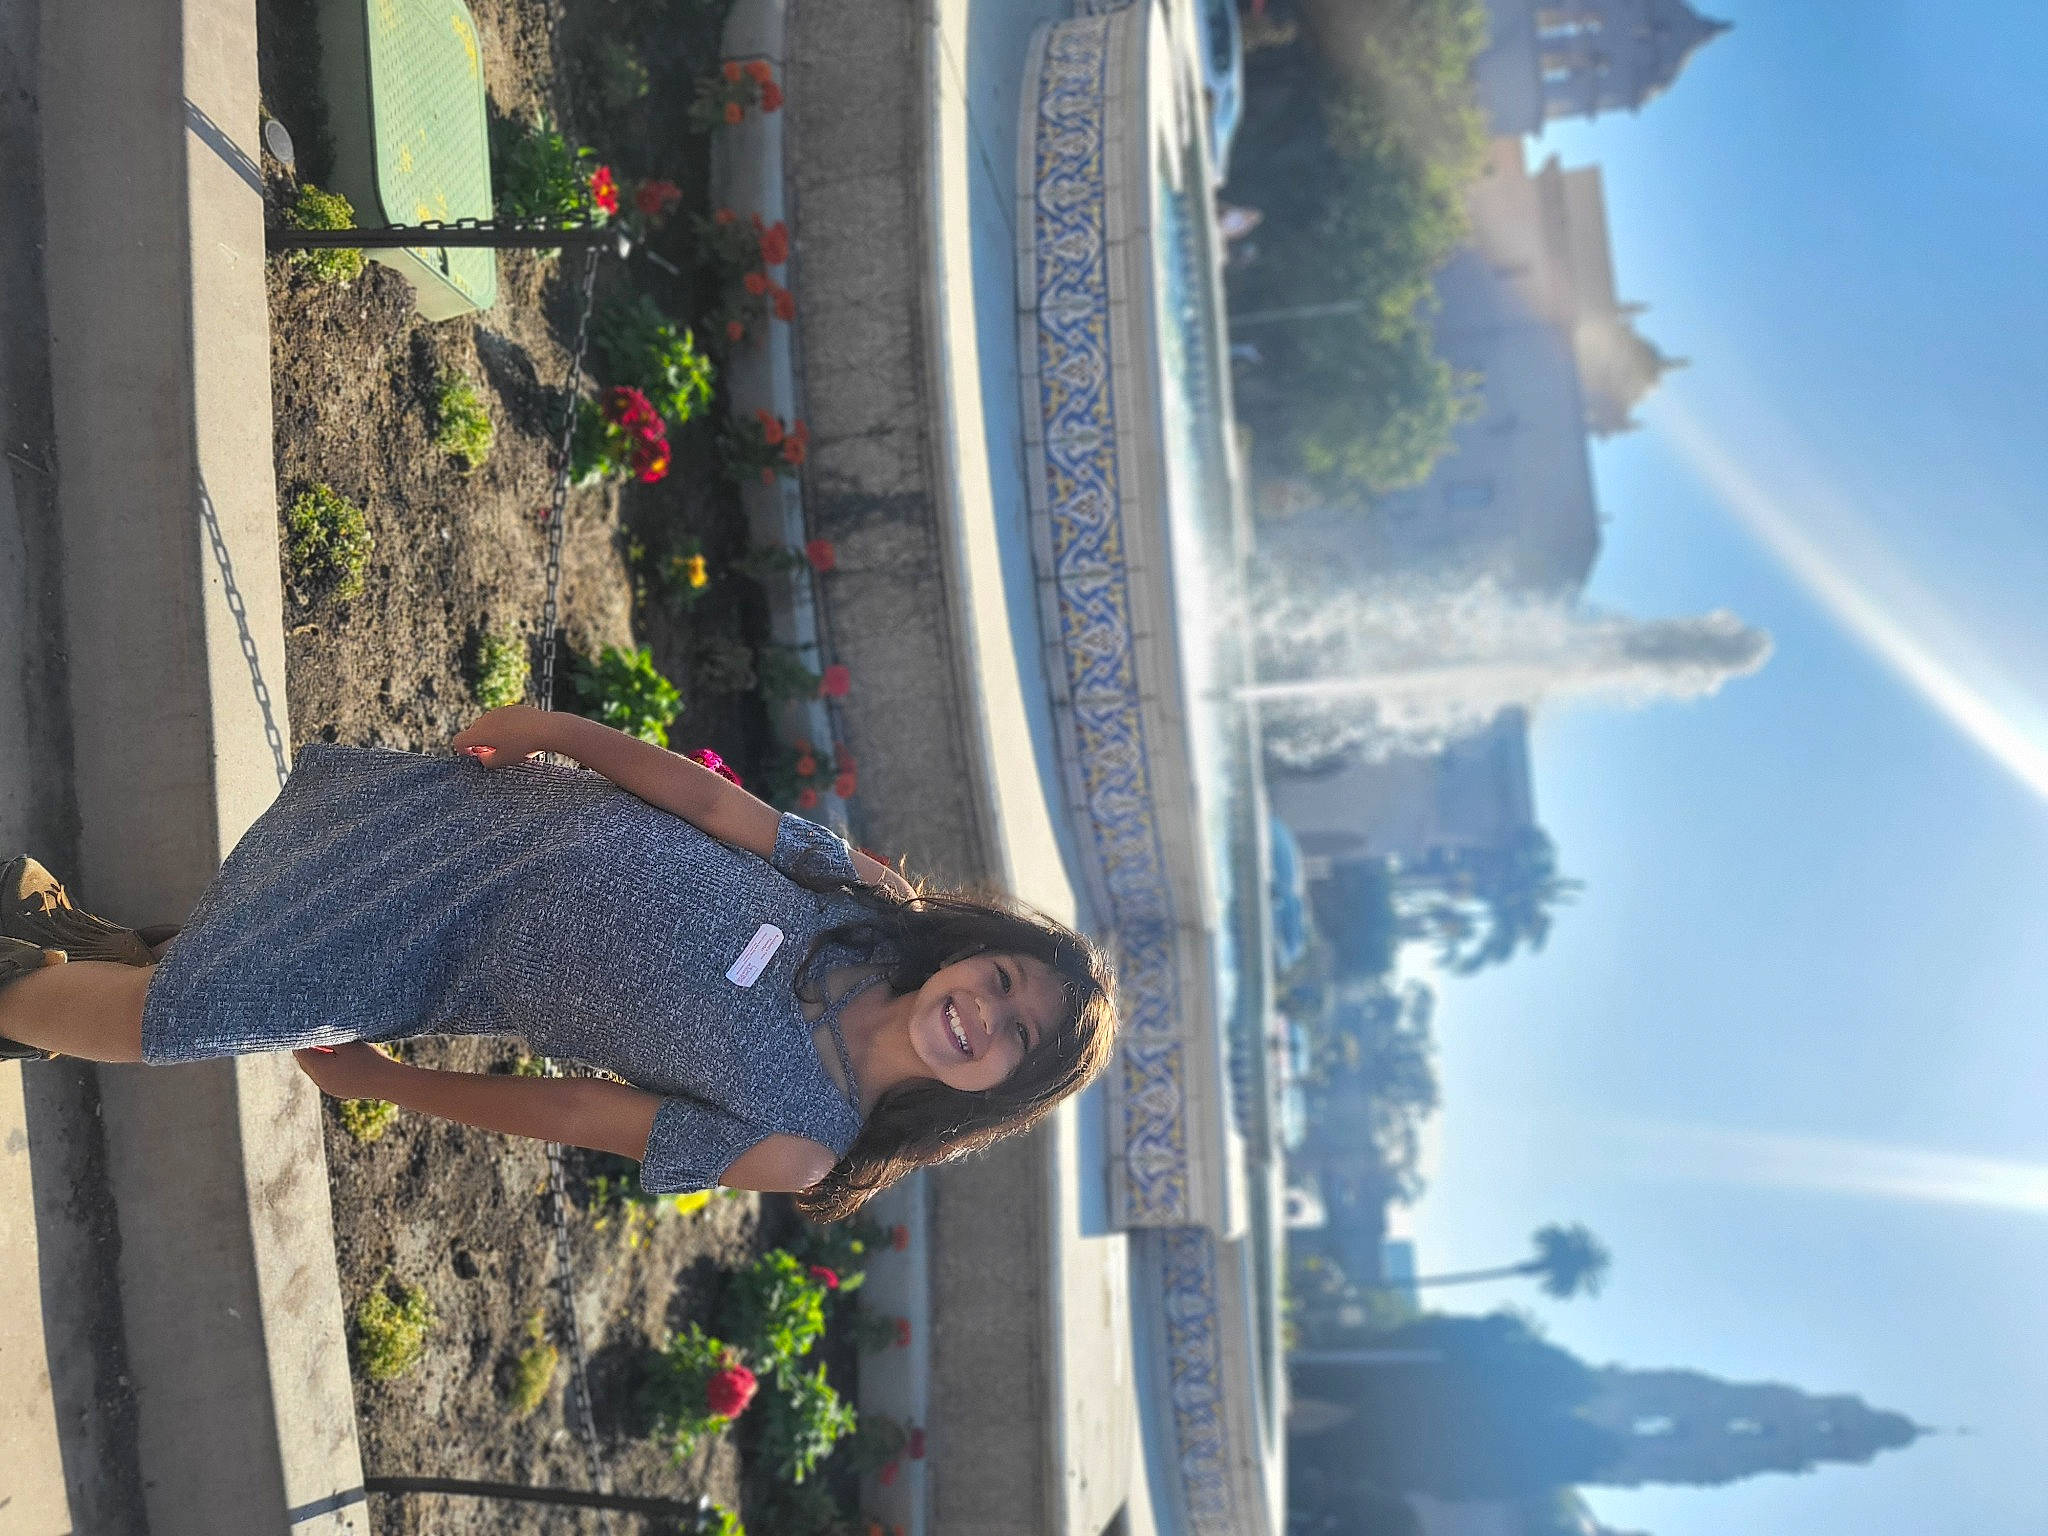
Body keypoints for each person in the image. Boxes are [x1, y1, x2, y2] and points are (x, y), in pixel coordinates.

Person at [0, 706, 1118, 1219]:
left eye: (1013, 1039)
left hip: (451, 952)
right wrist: (563, 733)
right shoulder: (870, 904)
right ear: (976, 950)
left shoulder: (801, 1147)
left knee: (186, 1018)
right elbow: (711, 801)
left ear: (991, 1097)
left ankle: (33, 979)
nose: (986, 1011)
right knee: (241, 952)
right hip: (498, 825)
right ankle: (64, 956)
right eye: (1004, 978)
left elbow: (586, 1111)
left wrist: (386, 1082)